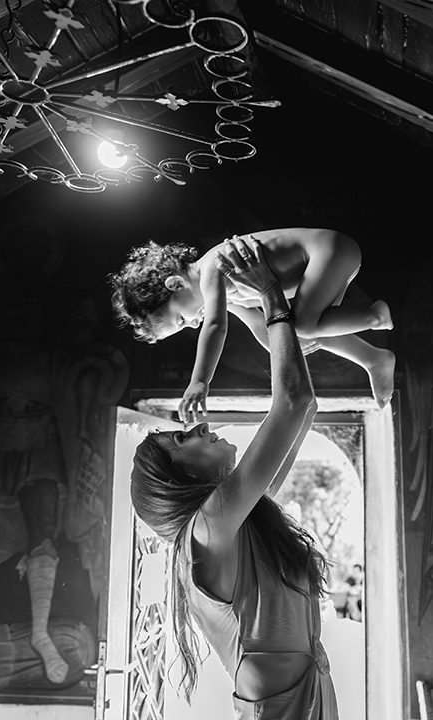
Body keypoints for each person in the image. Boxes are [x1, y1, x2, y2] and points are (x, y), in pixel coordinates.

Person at [127, 237, 338, 718]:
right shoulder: (209, 526)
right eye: (182, 439)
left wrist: (281, 320)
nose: (199, 427)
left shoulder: (235, 521)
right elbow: (295, 404)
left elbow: (303, 410)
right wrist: (271, 297)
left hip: (296, 700)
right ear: (180, 478)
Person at [108, 227, 396, 414]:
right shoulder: (220, 291)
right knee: (295, 330)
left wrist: (199, 381)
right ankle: (373, 359)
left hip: (329, 251)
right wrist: (276, 345)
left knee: (303, 324)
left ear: (175, 284)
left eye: (182, 319)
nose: (193, 323)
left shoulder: (212, 267)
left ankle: (375, 316)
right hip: (330, 259)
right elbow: (259, 323)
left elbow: (216, 326)